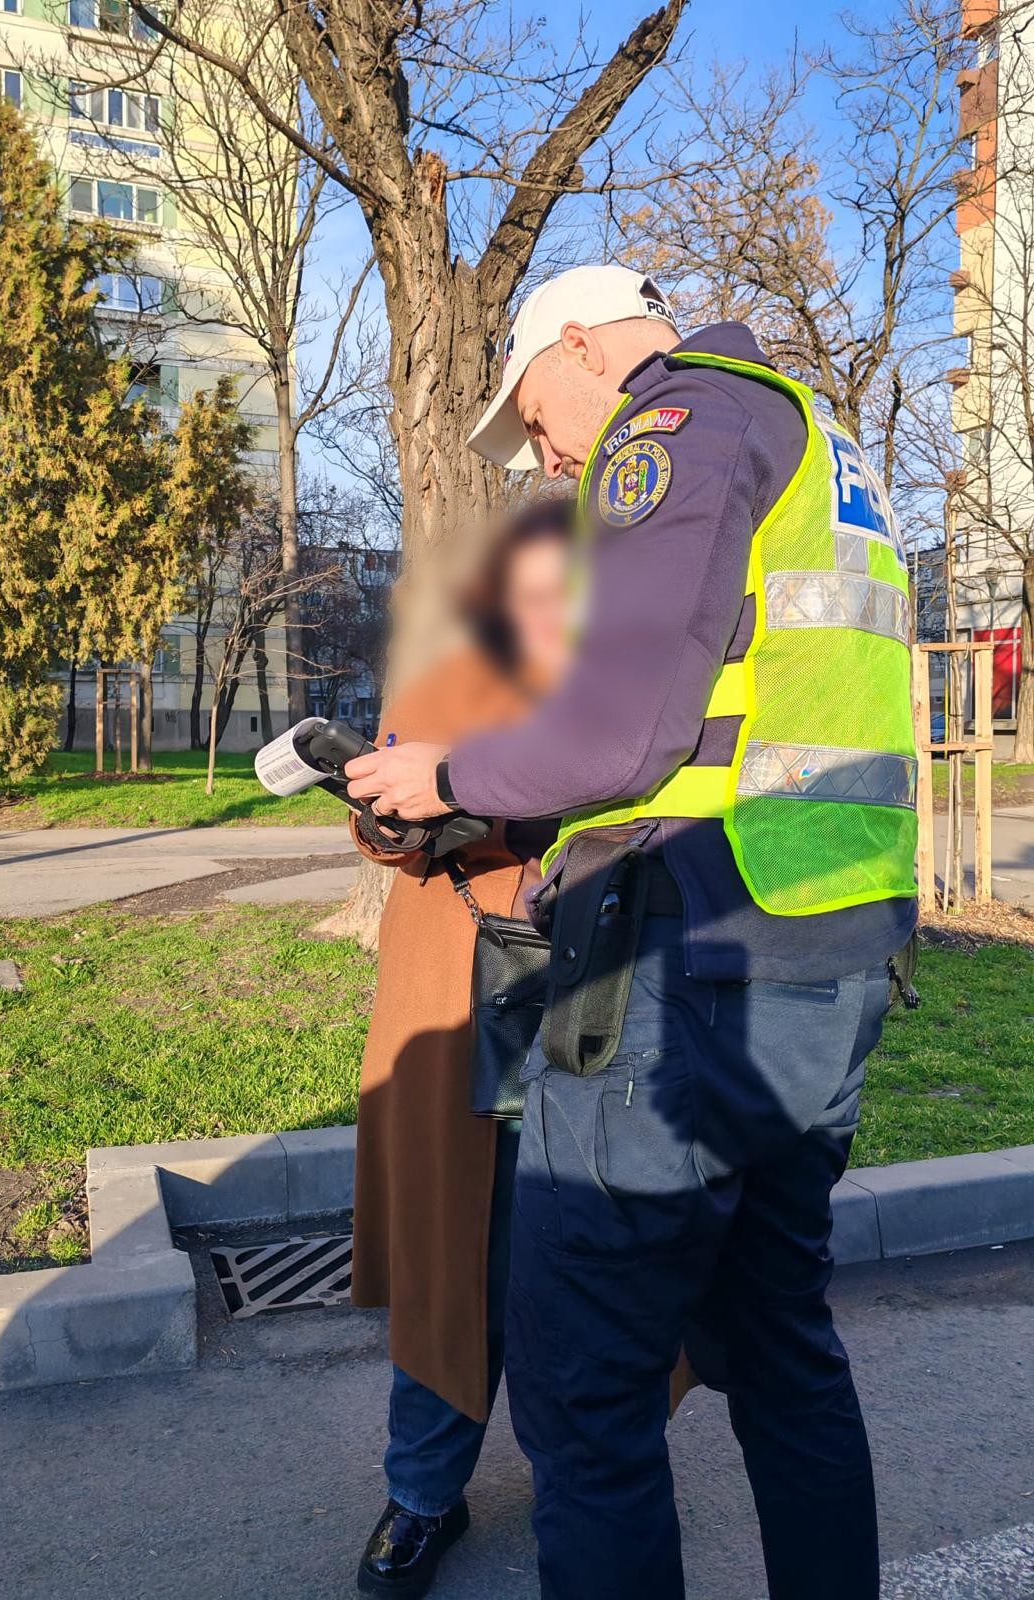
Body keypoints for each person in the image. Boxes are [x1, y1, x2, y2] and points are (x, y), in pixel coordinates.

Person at [345, 263, 918, 1600]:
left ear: (584, 345)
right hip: (823, 953)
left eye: (538, 416)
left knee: (584, 1391)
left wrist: (446, 774)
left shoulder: (678, 423)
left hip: (685, 961)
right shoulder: (819, 440)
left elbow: (624, 733)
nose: (547, 457)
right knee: (781, 1351)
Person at [352, 499, 571, 1598]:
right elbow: (380, 822)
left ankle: (583, 1482)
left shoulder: (635, 689)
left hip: (597, 1000)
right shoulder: (448, 679)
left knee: (576, 1259)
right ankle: (424, 1491)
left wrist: (492, 799)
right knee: (453, 1263)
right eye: (522, 589)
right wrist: (390, 813)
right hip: (457, 1000)